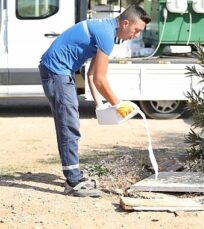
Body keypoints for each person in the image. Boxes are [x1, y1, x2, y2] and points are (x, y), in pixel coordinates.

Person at [38, 5, 151, 197]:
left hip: (57, 71)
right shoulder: (106, 35)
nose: (135, 36)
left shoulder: (105, 30)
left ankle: (73, 174)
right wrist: (118, 104)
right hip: (57, 72)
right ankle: (73, 181)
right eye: (136, 30)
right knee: (69, 125)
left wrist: (100, 105)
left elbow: (91, 75)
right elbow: (100, 78)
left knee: (68, 124)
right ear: (125, 23)